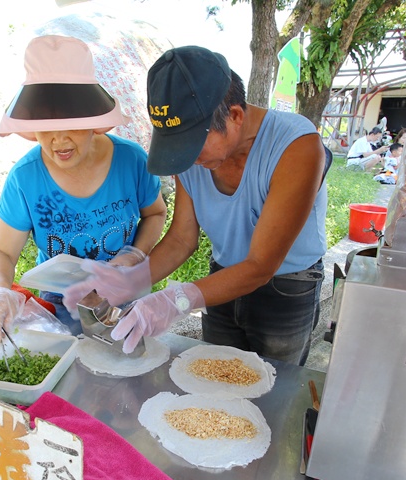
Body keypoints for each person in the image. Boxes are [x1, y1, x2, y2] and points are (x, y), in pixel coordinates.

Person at [64, 46, 328, 365]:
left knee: (276, 385)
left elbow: (261, 264)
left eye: (192, 146)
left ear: (235, 116)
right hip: (220, 279)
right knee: (215, 379)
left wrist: (178, 298)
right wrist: (131, 279)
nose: (188, 160)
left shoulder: (297, 147)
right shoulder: (190, 159)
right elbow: (181, 239)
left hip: (286, 287)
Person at [0, 35, 167, 339]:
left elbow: (156, 214)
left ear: (94, 121)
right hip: (59, 300)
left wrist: (133, 255)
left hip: (125, 290)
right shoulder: (26, 178)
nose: (59, 141)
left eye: (73, 126)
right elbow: (2, 251)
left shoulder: (131, 161)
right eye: (47, 129)